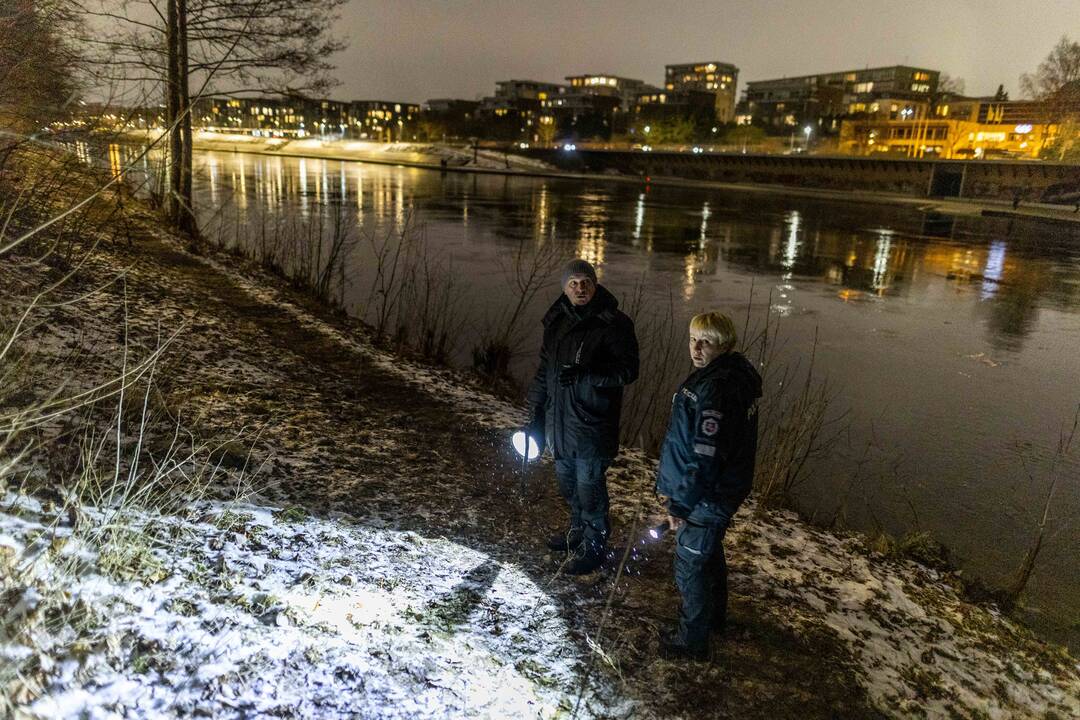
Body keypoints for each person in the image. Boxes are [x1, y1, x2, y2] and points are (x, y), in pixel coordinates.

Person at [655, 311, 762, 660]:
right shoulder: (725, 376)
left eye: (707, 342)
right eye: (692, 339)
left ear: (725, 345)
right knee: (709, 554)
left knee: (690, 566)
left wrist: (681, 503)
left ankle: (692, 641)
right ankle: (713, 620)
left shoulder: (717, 388)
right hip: (716, 492)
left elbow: (706, 455)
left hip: (707, 496)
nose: (697, 348)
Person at [525, 259, 639, 574]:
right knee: (567, 484)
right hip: (558, 424)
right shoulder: (557, 321)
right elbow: (543, 372)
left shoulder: (614, 323)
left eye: (586, 282)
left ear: (595, 284)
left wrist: (588, 374)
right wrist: (534, 412)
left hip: (592, 423)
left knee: (590, 489)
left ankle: (595, 546)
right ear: (564, 287)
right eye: (573, 283)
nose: (580, 288)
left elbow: (628, 370)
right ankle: (577, 532)